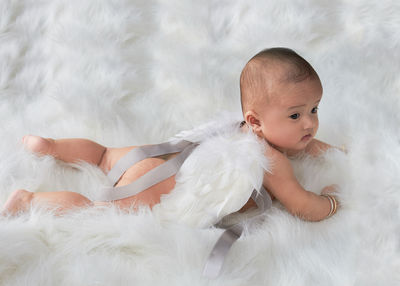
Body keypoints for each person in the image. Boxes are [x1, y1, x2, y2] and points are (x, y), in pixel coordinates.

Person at [1, 47, 342, 221]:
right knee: (97, 212)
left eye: (315, 109)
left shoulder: (245, 130)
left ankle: (50, 146)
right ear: (255, 122)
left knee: (104, 155)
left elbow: (301, 142)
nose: (309, 124)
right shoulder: (272, 161)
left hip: (158, 158)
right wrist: (330, 200)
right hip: (158, 188)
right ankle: (29, 201)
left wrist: (321, 147)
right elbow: (303, 207)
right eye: (295, 115)